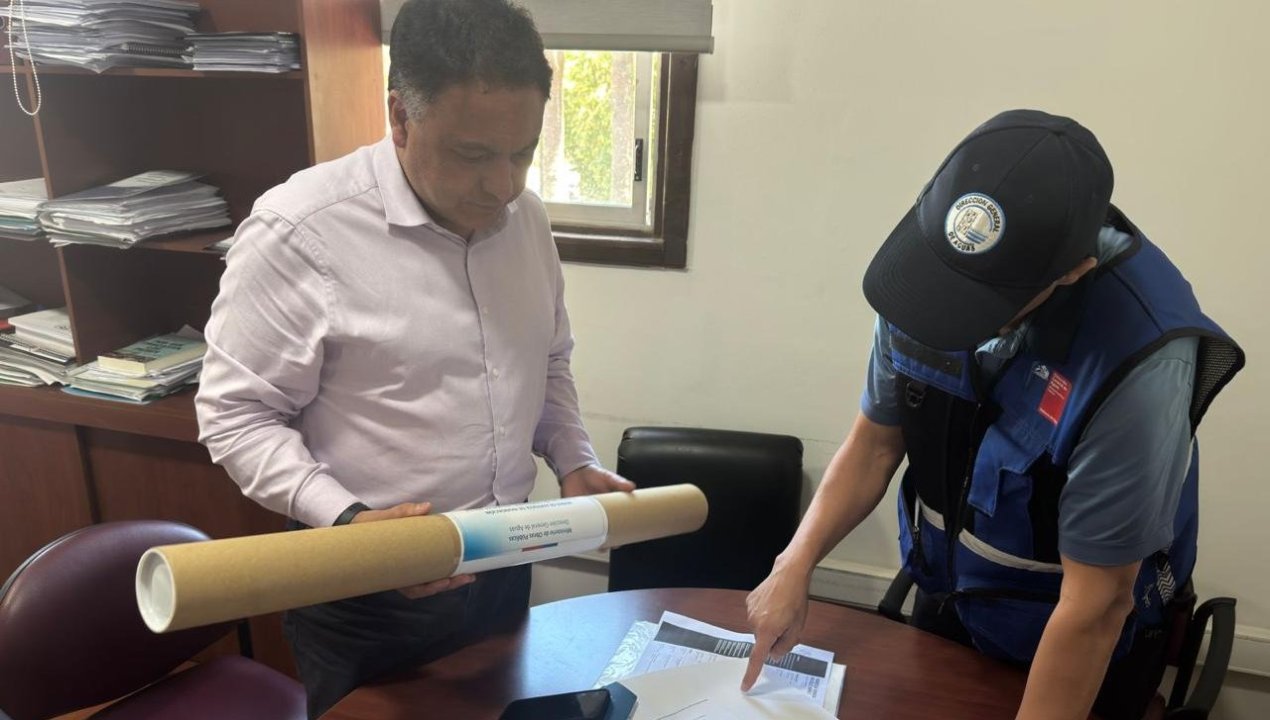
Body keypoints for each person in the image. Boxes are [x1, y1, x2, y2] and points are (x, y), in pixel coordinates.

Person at [194, 0, 633, 715]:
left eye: (523, 152)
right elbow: (235, 417)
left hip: (503, 562)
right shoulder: (300, 230)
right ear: (400, 116)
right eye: (473, 155)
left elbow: (548, 360)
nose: (504, 185)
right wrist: (352, 525)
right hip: (366, 591)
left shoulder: (524, 220)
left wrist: (574, 459)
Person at [742, 109, 1244, 720]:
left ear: (1073, 272)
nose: (947, 314)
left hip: (1080, 639)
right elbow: (874, 445)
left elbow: (1096, 607)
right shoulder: (925, 275)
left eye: (981, 304)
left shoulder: (1140, 362)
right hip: (952, 598)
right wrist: (793, 564)